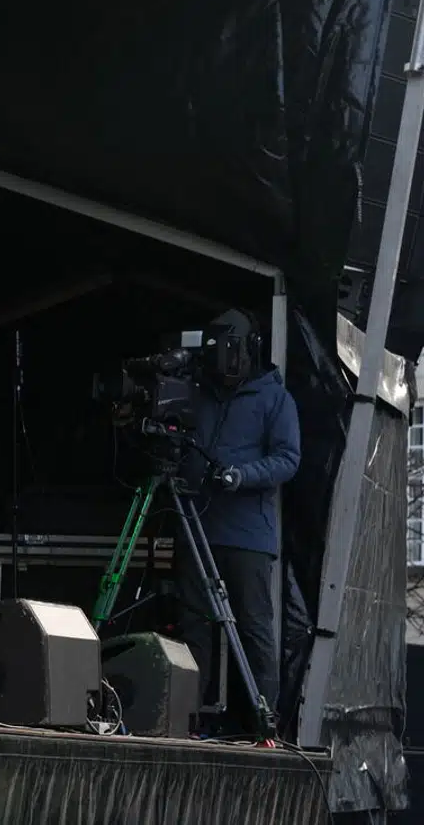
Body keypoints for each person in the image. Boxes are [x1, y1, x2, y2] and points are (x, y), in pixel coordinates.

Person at [175, 307, 301, 734]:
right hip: (197, 529)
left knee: (253, 630)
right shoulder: (196, 392)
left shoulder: (275, 398)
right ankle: (187, 722)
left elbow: (289, 459)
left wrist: (242, 476)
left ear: (251, 350)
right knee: (194, 627)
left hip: (248, 536)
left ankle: (262, 728)